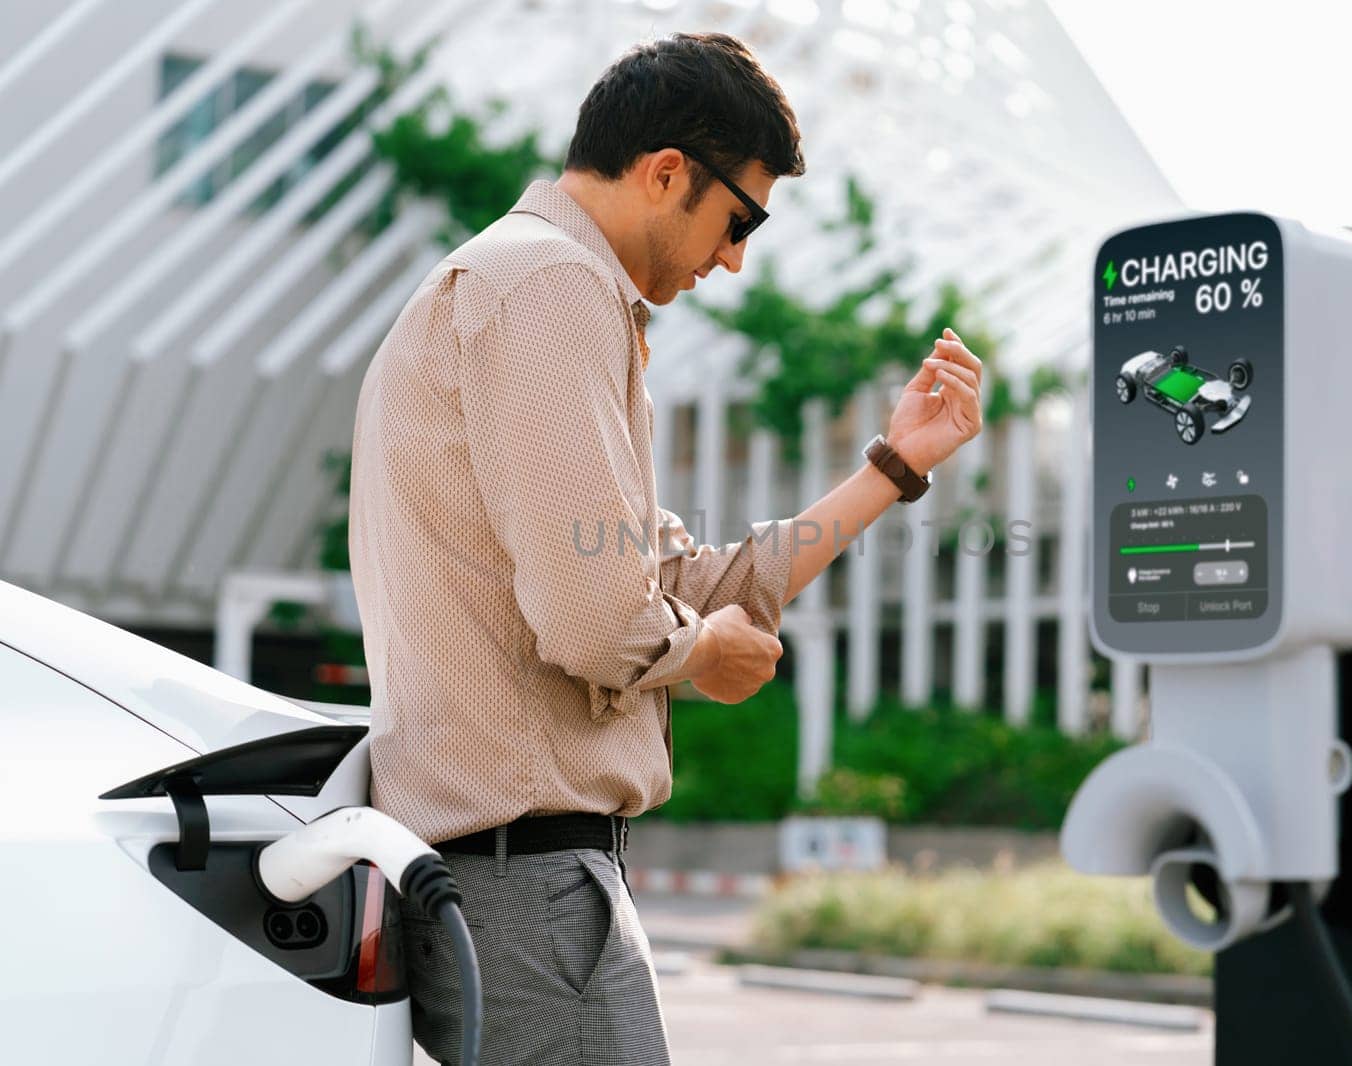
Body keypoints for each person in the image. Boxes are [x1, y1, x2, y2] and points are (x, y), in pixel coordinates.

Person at [348, 30, 984, 1066]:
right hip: (531, 888)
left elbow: (673, 582)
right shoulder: (548, 287)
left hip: (506, 884)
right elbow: (603, 620)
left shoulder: (513, 284)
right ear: (666, 174)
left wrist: (893, 468)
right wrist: (705, 657)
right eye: (740, 223)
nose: (733, 260)